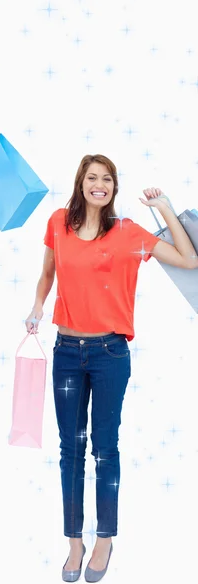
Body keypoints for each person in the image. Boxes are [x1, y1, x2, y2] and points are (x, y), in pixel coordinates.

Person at [25, 154, 198, 583]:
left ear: (113, 187)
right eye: (91, 178)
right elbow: (47, 273)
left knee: (105, 448)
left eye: (106, 179)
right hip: (65, 352)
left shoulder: (128, 234)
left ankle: (104, 538)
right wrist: (36, 307)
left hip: (110, 355)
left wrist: (165, 209)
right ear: (80, 183)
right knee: (70, 450)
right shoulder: (59, 221)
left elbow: (188, 260)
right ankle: (73, 542)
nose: (98, 185)